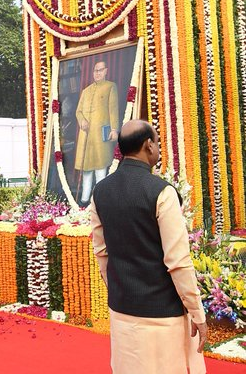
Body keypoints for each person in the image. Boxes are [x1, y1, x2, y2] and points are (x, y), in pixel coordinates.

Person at [90, 119, 207, 374]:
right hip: (161, 315)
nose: (157, 148)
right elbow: (178, 262)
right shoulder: (161, 192)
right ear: (148, 146)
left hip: (122, 311)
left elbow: (101, 252)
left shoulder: (100, 192)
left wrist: (121, 288)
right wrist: (197, 312)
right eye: (156, 142)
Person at [75, 60, 119, 205]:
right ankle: (84, 200)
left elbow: (113, 110)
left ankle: (100, 200)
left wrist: (114, 129)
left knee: (101, 168)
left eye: (100, 70)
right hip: (86, 136)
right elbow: (78, 111)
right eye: (95, 70)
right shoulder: (86, 91)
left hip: (101, 135)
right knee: (87, 170)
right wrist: (82, 121)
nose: (97, 73)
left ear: (106, 71)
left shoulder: (110, 87)